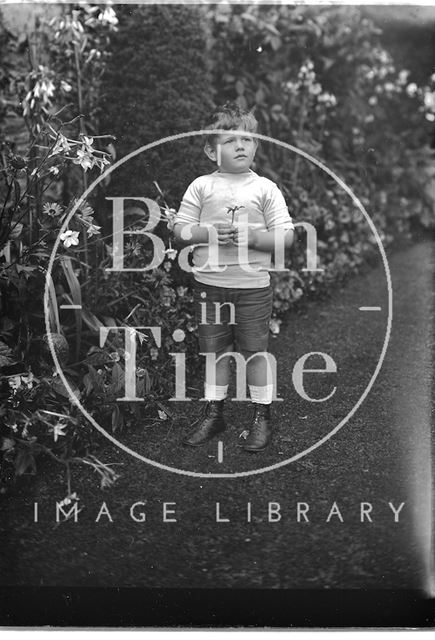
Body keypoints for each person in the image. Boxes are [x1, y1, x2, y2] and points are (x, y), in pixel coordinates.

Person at [173, 103, 294, 452]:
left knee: (255, 352)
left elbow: (286, 236)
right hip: (211, 286)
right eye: (230, 140)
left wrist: (256, 239)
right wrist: (207, 232)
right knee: (216, 352)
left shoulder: (266, 189)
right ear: (212, 151)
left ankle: (262, 416)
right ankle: (215, 414)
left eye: (247, 138)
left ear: (255, 146)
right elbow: (180, 232)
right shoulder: (201, 187)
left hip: (252, 287)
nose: (241, 145)